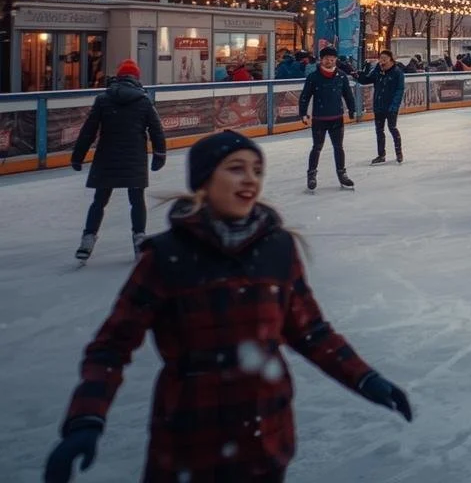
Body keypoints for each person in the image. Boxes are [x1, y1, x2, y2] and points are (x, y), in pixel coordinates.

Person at [42, 131, 412, 483]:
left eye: (257, 170)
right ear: (204, 180)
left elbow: (311, 330)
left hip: (266, 436)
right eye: (235, 168)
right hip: (188, 439)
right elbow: (112, 346)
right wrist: (86, 419)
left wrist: (364, 377)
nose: (250, 179)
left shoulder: (277, 249)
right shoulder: (167, 257)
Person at [68, 60, 167, 263]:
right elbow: (157, 130)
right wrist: (159, 154)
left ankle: (87, 239)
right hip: (134, 157)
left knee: (99, 201)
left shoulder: (103, 100)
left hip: (107, 156)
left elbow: (88, 130)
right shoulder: (144, 100)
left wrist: (78, 156)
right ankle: (139, 239)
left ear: (118, 77)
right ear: (137, 79)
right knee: (137, 201)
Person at [299, 47, 356, 191]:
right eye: (326, 59)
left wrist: (352, 109)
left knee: (338, 147)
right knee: (317, 147)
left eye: (332, 59)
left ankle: (342, 174)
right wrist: (303, 113)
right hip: (319, 118)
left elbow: (348, 95)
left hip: (337, 118)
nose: (329, 61)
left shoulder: (341, 76)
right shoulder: (314, 77)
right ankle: (311, 175)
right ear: (321, 59)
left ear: (335, 60)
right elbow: (305, 96)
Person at [356, 49, 406, 165]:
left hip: (391, 106)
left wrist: (394, 106)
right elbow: (366, 80)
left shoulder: (397, 73)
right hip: (379, 105)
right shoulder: (378, 71)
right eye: (381, 58)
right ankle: (381, 155)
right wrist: (360, 73)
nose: (382, 61)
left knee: (392, 128)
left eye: (385, 58)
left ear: (391, 59)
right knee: (379, 130)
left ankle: (399, 153)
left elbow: (400, 90)